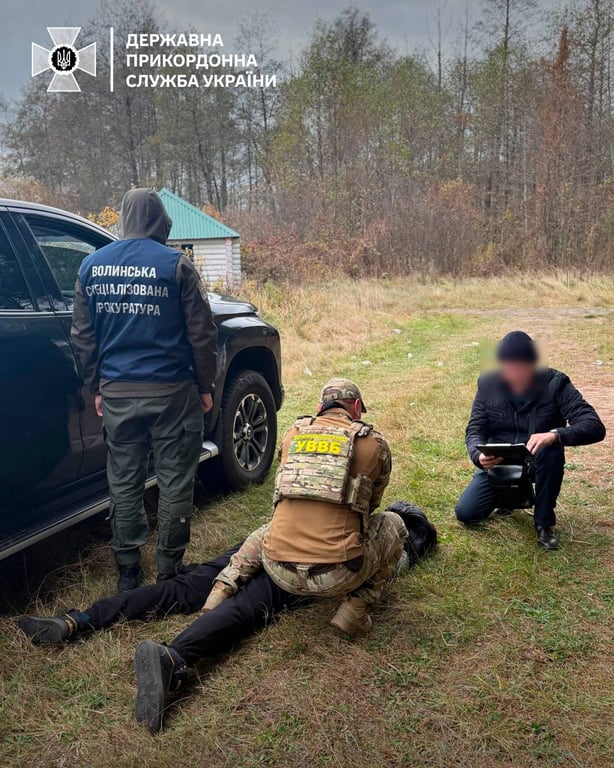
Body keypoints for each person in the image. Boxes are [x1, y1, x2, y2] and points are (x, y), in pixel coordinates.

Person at [18, 501, 437, 734]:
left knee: (185, 588)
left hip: (262, 543)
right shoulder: (387, 538)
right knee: (243, 609)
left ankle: (81, 619)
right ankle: (174, 658)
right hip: (290, 565)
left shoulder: (345, 497)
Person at [71, 189, 218, 590]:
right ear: (160, 220)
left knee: (123, 479)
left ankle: (128, 570)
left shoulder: (91, 266)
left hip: (117, 393)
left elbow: (82, 338)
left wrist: (97, 385)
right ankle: (169, 568)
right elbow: (202, 333)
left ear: (123, 218)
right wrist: (206, 385)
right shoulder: (175, 265)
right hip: (172, 392)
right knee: (175, 479)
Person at [202, 378, 408, 638]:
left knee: (269, 528)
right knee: (393, 523)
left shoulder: (293, 434)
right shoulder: (374, 443)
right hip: (338, 574)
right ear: (356, 407)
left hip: (278, 568)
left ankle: (222, 588)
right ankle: (354, 610)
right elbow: (371, 506)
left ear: (320, 406)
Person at [455, 331, 606, 549]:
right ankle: (507, 498)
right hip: (500, 462)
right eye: (507, 367)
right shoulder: (487, 384)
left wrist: (555, 434)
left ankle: (544, 523)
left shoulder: (556, 384)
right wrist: (478, 456)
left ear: (533, 365)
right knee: (466, 513)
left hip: (539, 461)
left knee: (551, 450)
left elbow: (594, 426)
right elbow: (475, 428)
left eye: (520, 367)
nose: (513, 374)